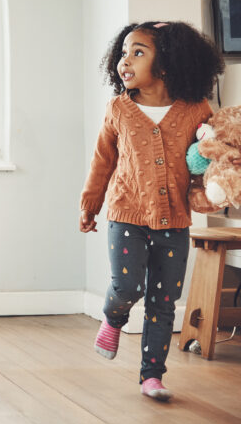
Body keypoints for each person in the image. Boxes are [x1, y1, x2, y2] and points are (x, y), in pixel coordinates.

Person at [80, 21, 224, 401]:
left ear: (167, 65)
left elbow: (210, 155)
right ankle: (112, 318)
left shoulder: (197, 109)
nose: (125, 61)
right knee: (128, 287)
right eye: (123, 53)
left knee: (163, 303)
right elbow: (102, 161)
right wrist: (89, 205)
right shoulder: (120, 109)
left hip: (175, 220)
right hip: (127, 215)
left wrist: (214, 180)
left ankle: (151, 376)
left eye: (138, 52)